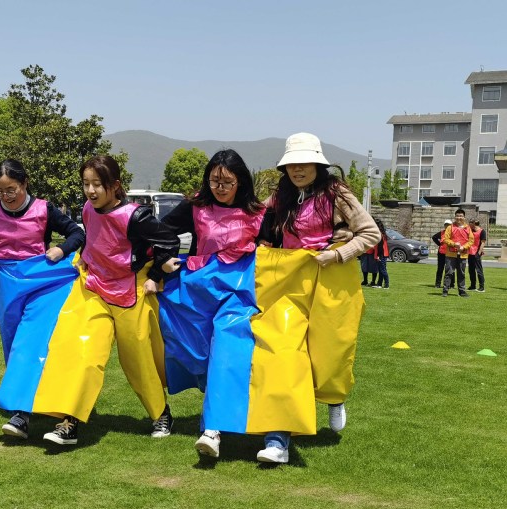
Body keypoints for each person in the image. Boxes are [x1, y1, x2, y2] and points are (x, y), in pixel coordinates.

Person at [32, 154, 181, 445]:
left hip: (130, 293)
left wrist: (156, 274)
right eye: (86, 183)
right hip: (94, 288)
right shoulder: (88, 208)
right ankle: (69, 422)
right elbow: (93, 238)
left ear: (115, 185)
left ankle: (160, 413)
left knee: (138, 360)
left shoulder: (136, 216)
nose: (90, 190)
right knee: (81, 350)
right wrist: (83, 256)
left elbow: (169, 240)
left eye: (97, 184)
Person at [252, 132, 379, 463]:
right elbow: (255, 222)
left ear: (318, 164)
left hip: (331, 280)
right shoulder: (279, 196)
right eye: (291, 164)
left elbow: (371, 233)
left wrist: (337, 255)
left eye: (304, 163)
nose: (297, 169)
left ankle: (335, 397)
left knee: (331, 350)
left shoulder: (338, 194)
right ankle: (278, 439)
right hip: (290, 284)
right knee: (281, 352)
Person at [0, 159, 84, 440]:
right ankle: (26, 404)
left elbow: (77, 233)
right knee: (13, 344)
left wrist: (61, 250)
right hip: (6, 284)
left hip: (43, 284)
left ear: (24, 183)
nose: (6, 196)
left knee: (31, 340)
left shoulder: (43, 209)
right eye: (0, 191)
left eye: (11, 190)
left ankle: (22, 414)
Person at [158, 149, 264, 458]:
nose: (220, 187)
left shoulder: (259, 213)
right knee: (200, 354)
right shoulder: (196, 208)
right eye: (214, 181)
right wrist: (164, 258)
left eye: (227, 182)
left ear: (240, 181)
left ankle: (212, 429)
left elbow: (281, 243)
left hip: (239, 295)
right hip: (199, 293)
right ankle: (222, 407)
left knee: (227, 348)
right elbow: (160, 230)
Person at [441, 209, 474, 298]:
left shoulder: (468, 228)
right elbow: (445, 239)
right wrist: (454, 244)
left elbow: (471, 240)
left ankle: (462, 291)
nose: (459, 218)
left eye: (461, 216)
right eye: (457, 216)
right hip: (451, 254)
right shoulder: (450, 227)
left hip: (463, 254)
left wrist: (464, 247)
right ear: (455, 217)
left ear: (464, 217)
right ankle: (445, 290)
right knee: (449, 272)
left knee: (461, 273)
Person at [432, 220, 452, 288]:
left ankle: (450, 284)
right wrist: (439, 244)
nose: (447, 226)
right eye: (446, 225)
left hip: (450, 253)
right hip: (441, 253)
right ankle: (437, 284)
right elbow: (434, 237)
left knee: (450, 269)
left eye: (448, 225)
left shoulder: (453, 233)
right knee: (440, 269)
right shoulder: (441, 232)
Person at [467, 219, 486, 292]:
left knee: (479, 270)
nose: (469, 225)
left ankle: (482, 287)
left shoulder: (482, 231)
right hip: (470, 253)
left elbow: (483, 243)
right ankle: (473, 286)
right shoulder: (470, 230)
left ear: (474, 223)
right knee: (471, 270)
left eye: (470, 223)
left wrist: (479, 252)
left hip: (476, 253)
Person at [372, 218, 390, 289]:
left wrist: (378, 255)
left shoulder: (380, 234)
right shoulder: (383, 233)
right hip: (384, 253)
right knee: (381, 270)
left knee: (383, 270)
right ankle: (379, 284)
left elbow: (380, 247)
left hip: (382, 254)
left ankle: (386, 284)